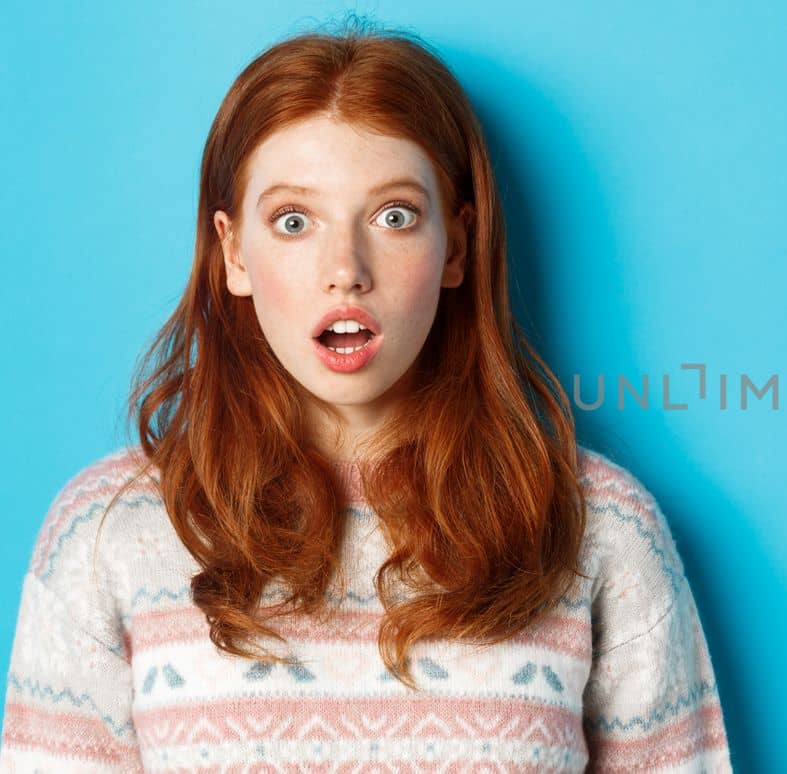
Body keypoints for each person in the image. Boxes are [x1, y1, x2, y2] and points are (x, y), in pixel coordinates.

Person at [0, 17, 731, 773]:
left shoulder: (599, 526)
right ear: (233, 254)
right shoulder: (105, 535)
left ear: (456, 245)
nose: (344, 268)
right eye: (293, 221)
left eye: (393, 216)